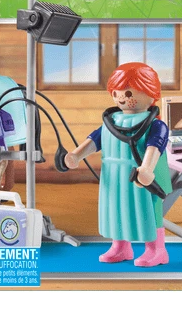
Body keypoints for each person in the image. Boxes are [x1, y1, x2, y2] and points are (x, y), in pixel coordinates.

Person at [64, 62, 172, 267]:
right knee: (117, 210)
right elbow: (95, 140)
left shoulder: (156, 125)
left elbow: (154, 146)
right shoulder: (112, 122)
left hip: (143, 177)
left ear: (151, 93)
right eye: (116, 92)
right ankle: (121, 246)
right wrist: (76, 155)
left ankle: (157, 250)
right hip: (114, 176)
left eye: (128, 93)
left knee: (150, 212)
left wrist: (147, 169)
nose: (122, 97)